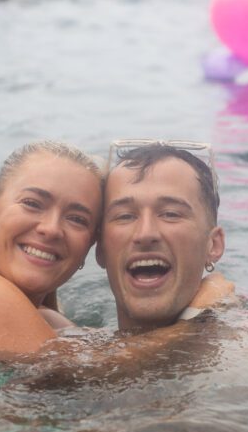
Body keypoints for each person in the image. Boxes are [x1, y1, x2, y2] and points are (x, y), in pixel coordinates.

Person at [0, 140, 230, 355]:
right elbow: (98, 377)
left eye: (77, 219)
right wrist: (202, 313)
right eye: (32, 203)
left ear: (92, 246)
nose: (51, 229)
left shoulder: (50, 325)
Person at [96, 142, 224, 331]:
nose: (145, 233)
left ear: (213, 245)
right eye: (125, 216)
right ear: (100, 249)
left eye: (171, 214)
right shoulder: (63, 340)